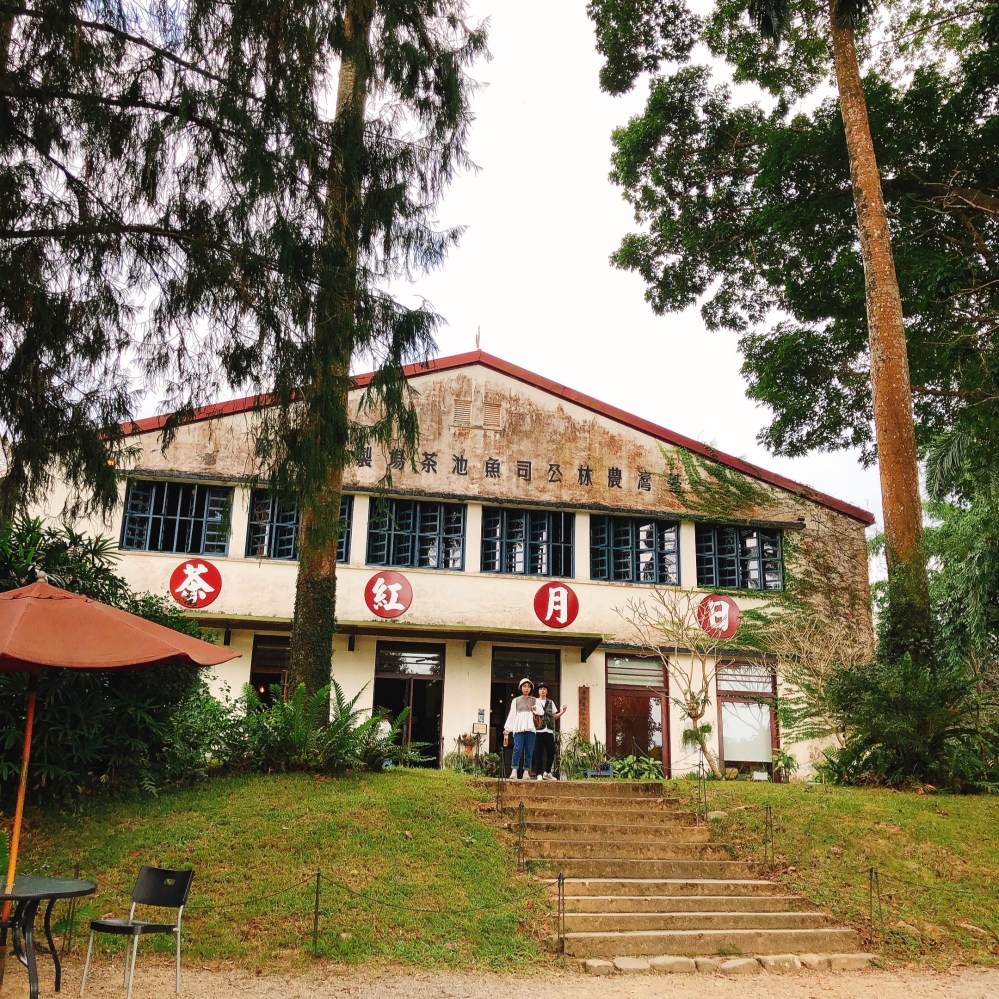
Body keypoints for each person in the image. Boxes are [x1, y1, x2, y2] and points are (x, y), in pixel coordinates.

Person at [502, 677, 544, 779]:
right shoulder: (515, 700)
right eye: (524, 686)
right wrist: (508, 728)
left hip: (530, 728)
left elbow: (541, 712)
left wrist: (535, 709)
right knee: (517, 748)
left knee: (529, 750)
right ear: (521, 688)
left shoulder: (534, 700)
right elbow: (512, 714)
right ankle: (514, 770)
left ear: (531, 689)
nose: (526, 688)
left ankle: (526, 772)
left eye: (528, 687)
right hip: (518, 728)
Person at [533, 683, 567, 780]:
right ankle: (538, 774)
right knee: (538, 753)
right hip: (538, 731)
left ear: (547, 691)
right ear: (538, 691)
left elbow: (554, 716)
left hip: (549, 731)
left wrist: (563, 711)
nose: (542, 690)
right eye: (541, 689)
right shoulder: (534, 701)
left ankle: (547, 772)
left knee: (551, 752)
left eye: (544, 689)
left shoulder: (550, 702)